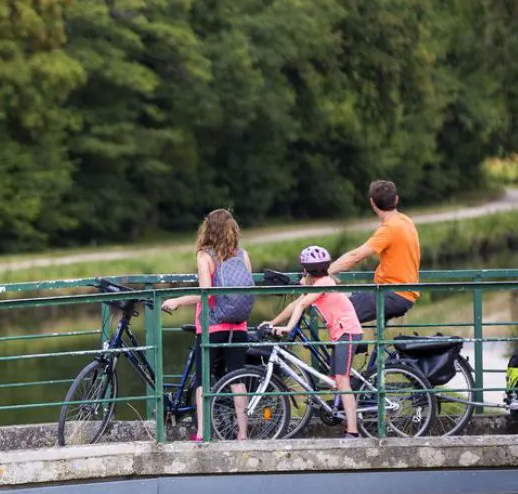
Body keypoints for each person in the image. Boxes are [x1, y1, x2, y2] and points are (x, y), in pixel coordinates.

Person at [160, 208, 251, 442]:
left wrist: (178, 300)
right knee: (237, 380)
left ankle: (202, 433)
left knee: (203, 381)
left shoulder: (205, 256)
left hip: (212, 328)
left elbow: (205, 294)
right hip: (239, 326)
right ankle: (242, 433)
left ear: (207, 229)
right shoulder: (242, 255)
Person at [267, 245, 362, 438]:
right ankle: (347, 417)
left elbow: (301, 304)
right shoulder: (321, 282)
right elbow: (295, 304)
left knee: (342, 382)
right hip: (341, 334)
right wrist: (273, 322)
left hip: (348, 334)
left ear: (305, 269)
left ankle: (352, 431)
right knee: (336, 380)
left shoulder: (324, 283)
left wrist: (287, 328)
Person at [328, 179, 421, 326]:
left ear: (372, 203)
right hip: (401, 292)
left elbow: (356, 256)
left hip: (393, 294)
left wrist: (326, 271)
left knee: (340, 315)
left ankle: (349, 349)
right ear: (396, 199)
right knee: (345, 303)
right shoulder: (406, 221)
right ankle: (361, 348)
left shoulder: (390, 228)